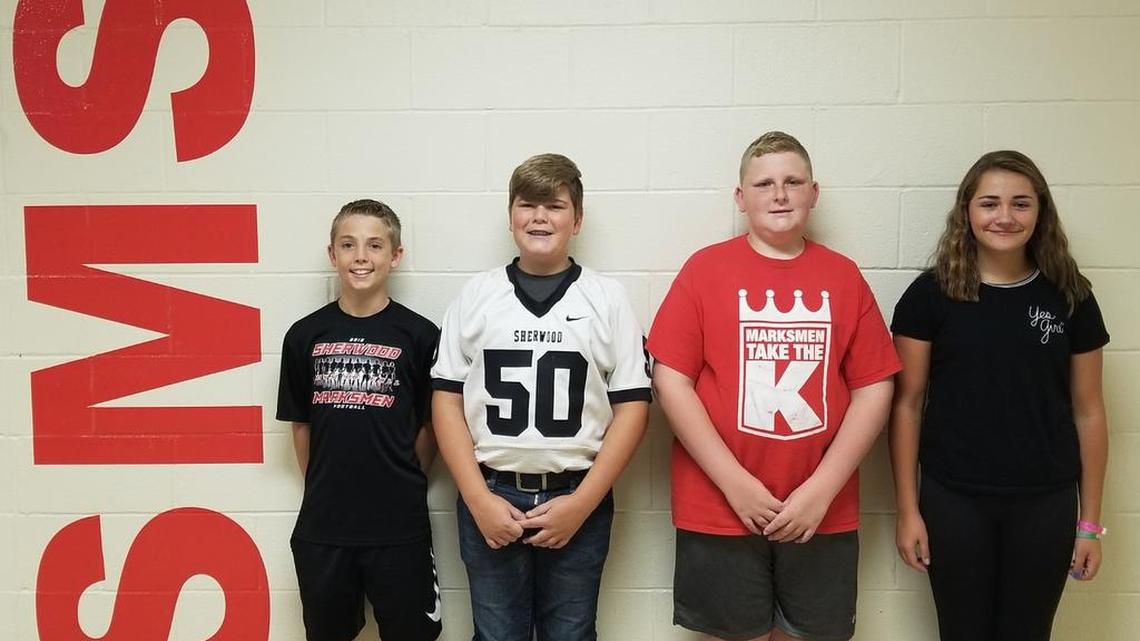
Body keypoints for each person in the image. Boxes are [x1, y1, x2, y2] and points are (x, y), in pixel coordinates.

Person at [648, 131, 901, 641]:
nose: (780, 194)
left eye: (793, 181)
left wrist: (822, 489)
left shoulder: (843, 277)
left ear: (814, 192)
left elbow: (875, 388)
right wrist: (734, 483)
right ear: (741, 199)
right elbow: (670, 378)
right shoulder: (704, 270)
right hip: (719, 503)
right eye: (764, 183)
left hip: (819, 508)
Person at [889, 150, 1110, 641]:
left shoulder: (1071, 296)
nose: (1005, 217)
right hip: (953, 501)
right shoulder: (929, 296)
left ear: (1041, 212)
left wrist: (1090, 523)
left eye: (1021, 204)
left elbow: (1089, 412)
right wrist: (908, 510)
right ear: (967, 211)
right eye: (990, 203)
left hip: (1046, 503)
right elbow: (906, 406)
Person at [431, 153, 651, 641]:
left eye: (554, 205)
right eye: (527, 205)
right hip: (491, 491)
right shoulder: (476, 295)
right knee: (495, 634)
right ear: (510, 217)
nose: (539, 217)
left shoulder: (607, 298)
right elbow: (445, 401)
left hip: (577, 493)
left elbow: (633, 406)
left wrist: (584, 502)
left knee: (571, 634)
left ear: (577, 218)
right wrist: (477, 496)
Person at [277, 199, 442, 641]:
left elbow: (430, 426)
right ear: (333, 254)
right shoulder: (303, 336)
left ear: (396, 255)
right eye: (348, 245)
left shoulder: (421, 336)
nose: (361, 256)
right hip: (324, 526)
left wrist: (404, 477)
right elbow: (300, 424)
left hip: (399, 526)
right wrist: (325, 486)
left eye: (374, 245)